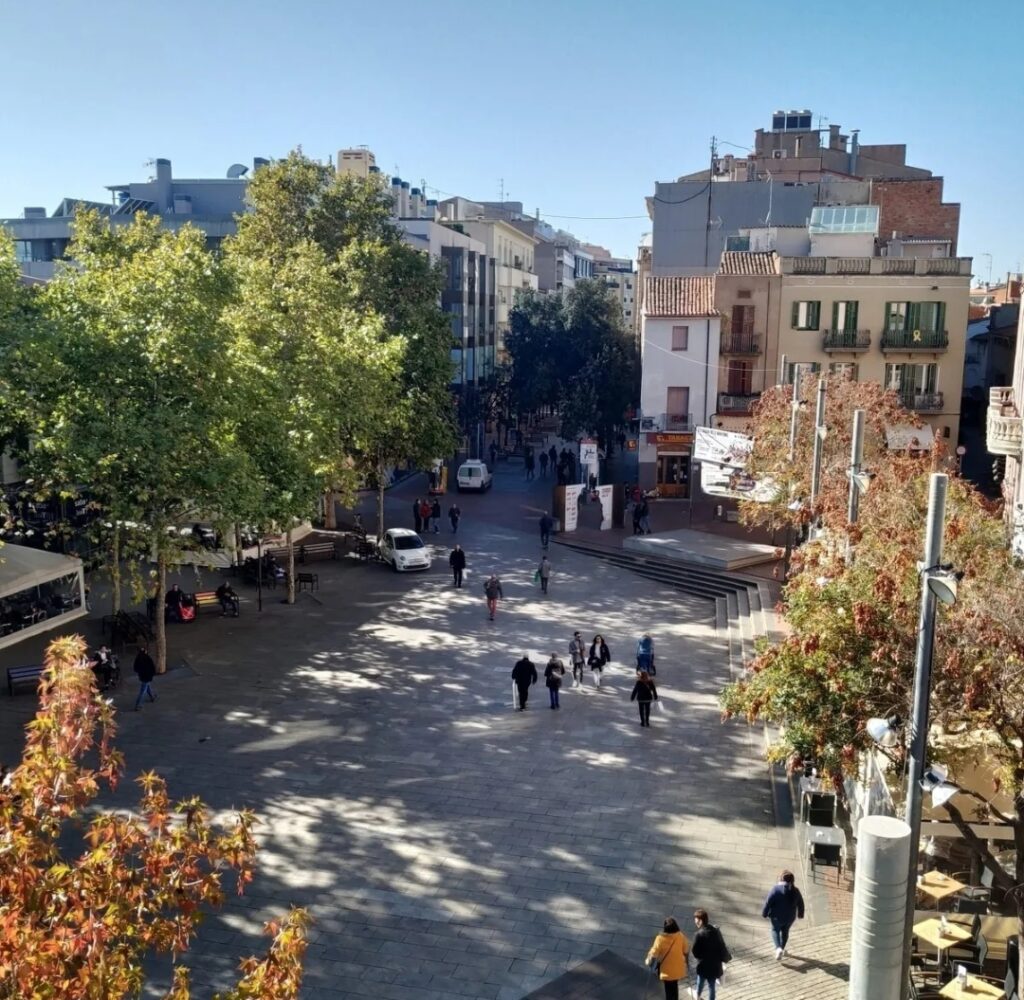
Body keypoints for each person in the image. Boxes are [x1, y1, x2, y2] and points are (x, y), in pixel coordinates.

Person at [762, 870, 804, 960]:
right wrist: (800, 914)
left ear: (781, 879)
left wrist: (764, 913)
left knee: (775, 930)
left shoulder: (776, 889)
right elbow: (801, 903)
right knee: (785, 932)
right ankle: (782, 948)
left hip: (777, 917)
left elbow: (768, 902)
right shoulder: (796, 891)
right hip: (790, 918)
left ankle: (778, 948)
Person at [645, 916, 690, 1000]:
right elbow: (686, 949)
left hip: (666, 971)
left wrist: (648, 959)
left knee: (668, 989)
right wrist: (686, 961)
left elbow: (654, 953)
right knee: (674, 987)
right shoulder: (680, 936)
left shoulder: (660, 938)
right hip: (677, 968)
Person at [691, 909, 730, 1000]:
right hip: (715, 965)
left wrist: (700, 957)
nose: (695, 921)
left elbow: (695, 951)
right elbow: (721, 946)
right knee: (711, 986)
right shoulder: (716, 931)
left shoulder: (699, 935)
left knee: (700, 983)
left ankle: (698, 997)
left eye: (696, 919)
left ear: (700, 921)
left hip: (703, 966)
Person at [133, 645, 157, 711]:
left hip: (142, 676)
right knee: (143, 691)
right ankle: (137, 705)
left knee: (147, 686)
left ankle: (152, 697)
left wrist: (140, 672)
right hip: (147, 676)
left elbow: (135, 668)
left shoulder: (138, 658)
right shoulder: (147, 658)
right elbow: (152, 667)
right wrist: (152, 673)